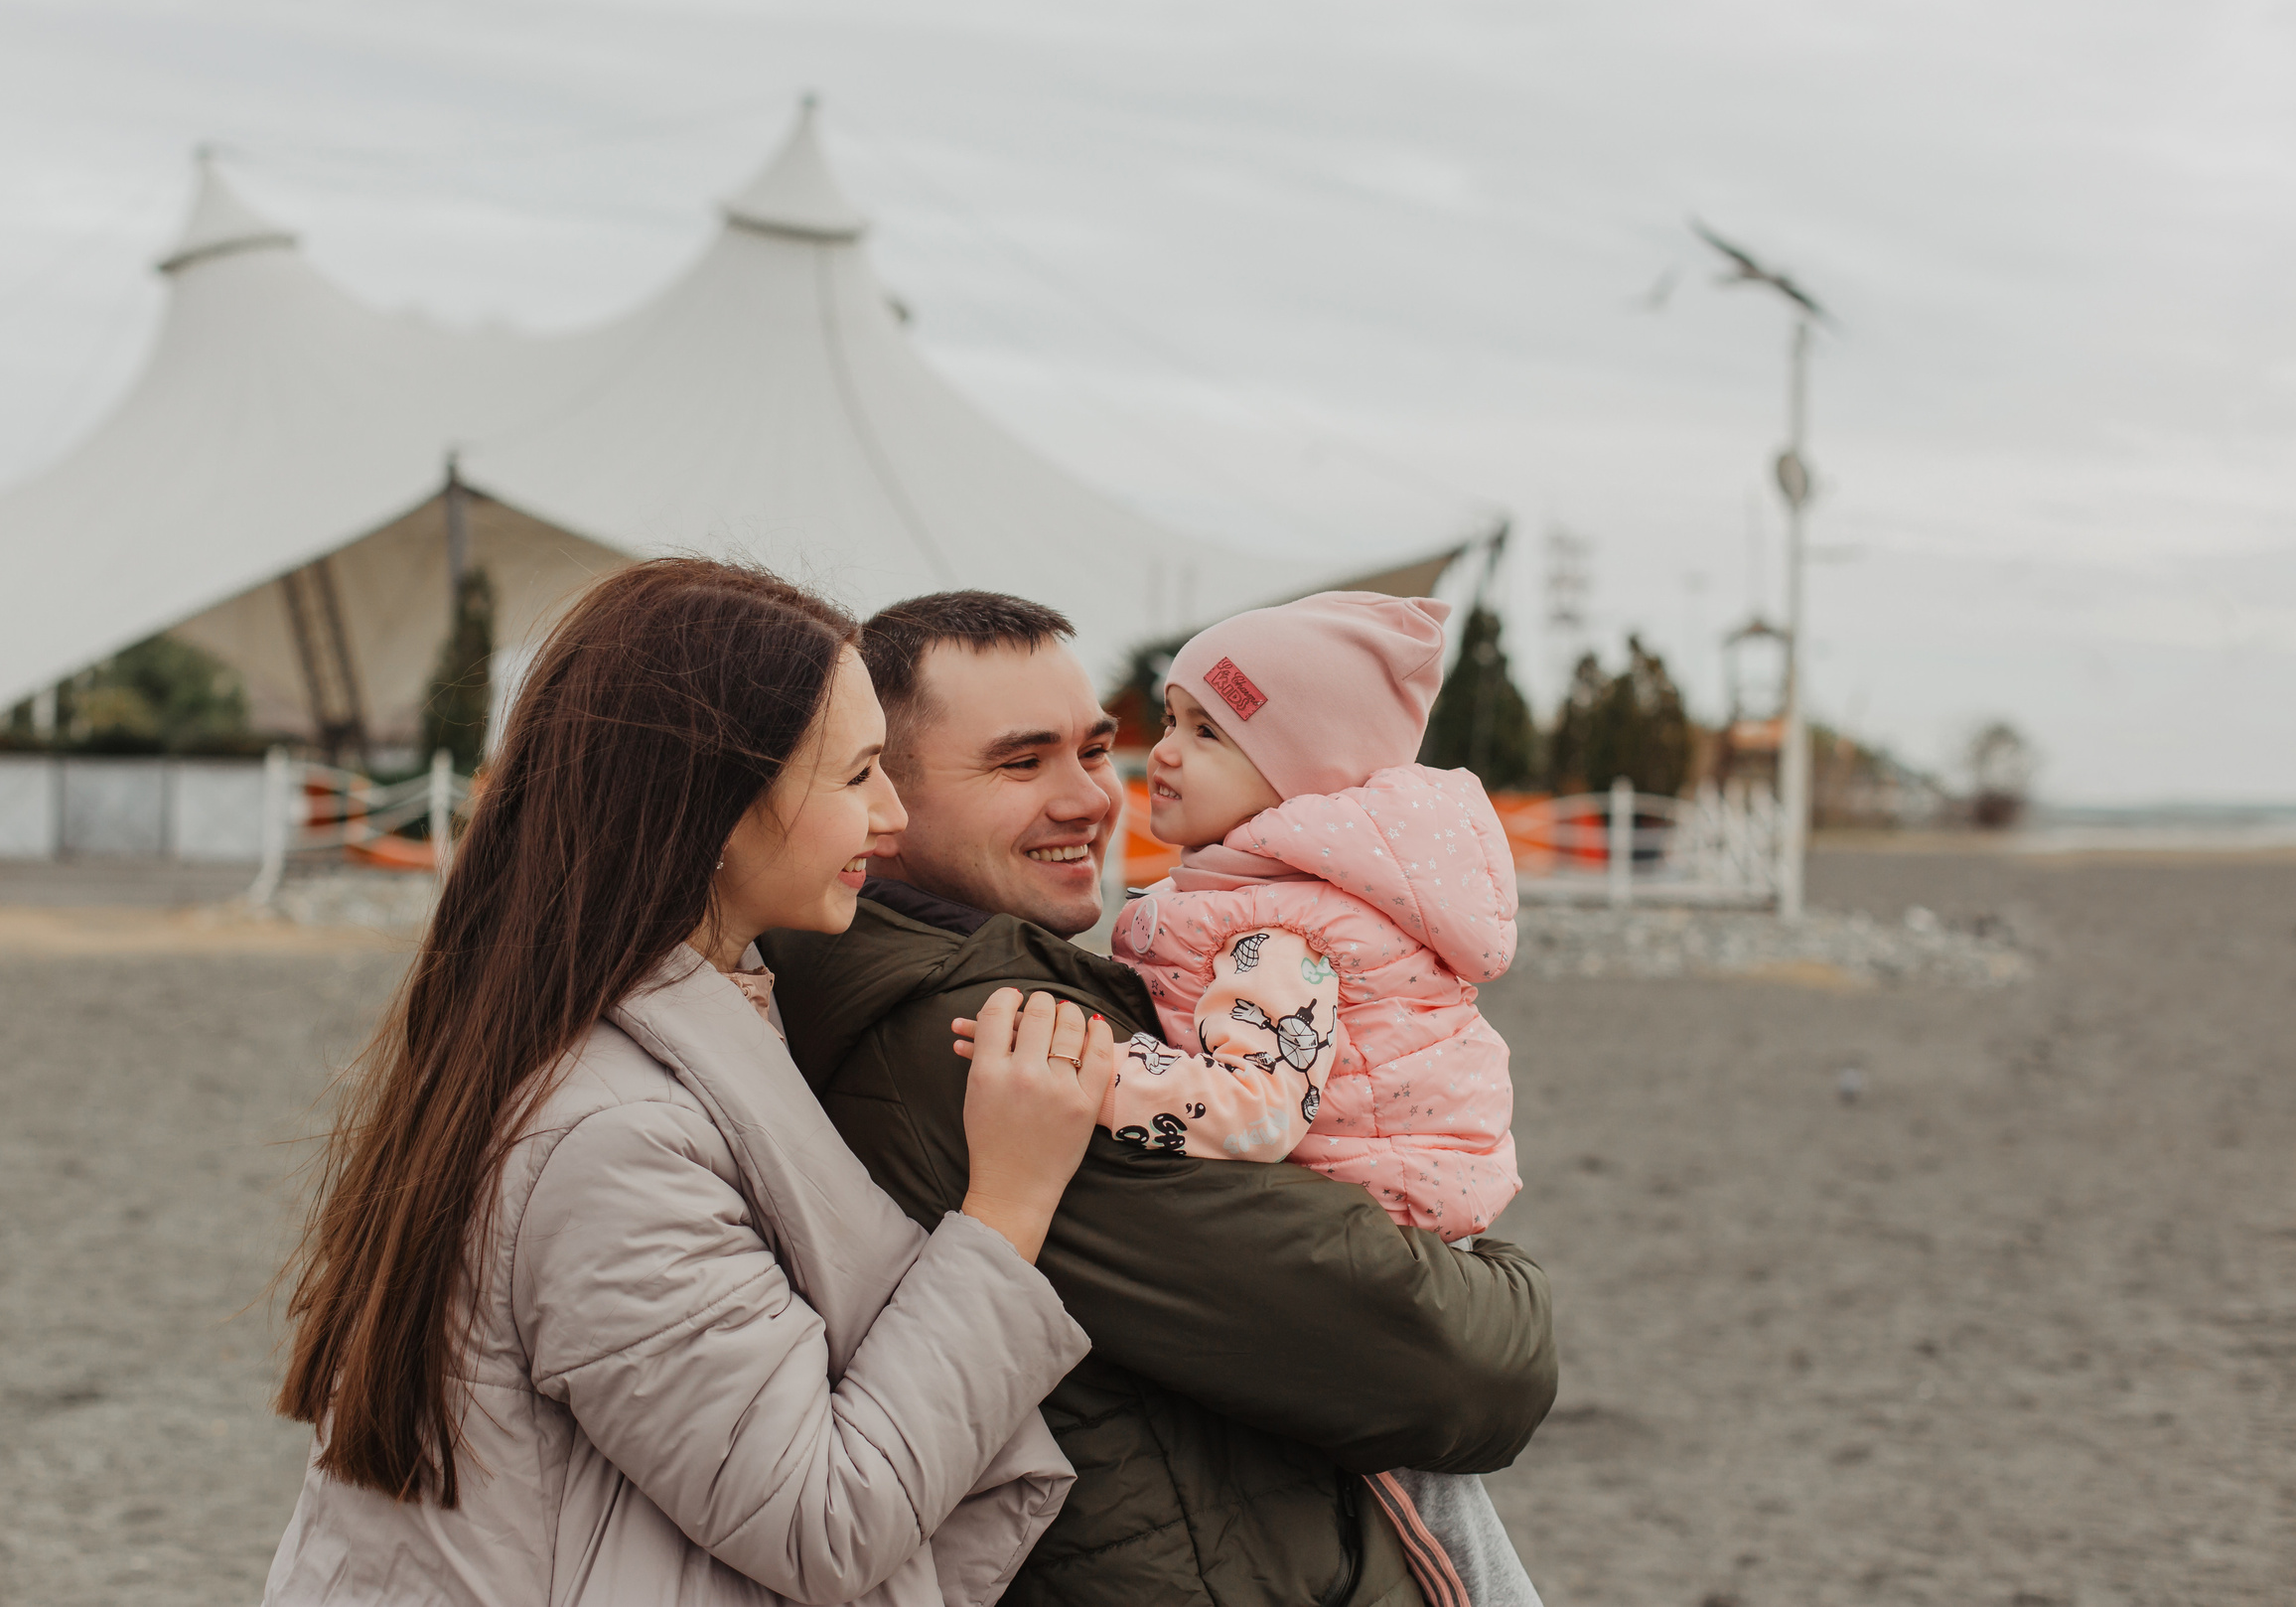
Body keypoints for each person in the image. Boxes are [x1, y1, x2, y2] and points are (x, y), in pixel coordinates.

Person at [263, 559, 1121, 1607]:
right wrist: (1007, 1209)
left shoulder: (611, 1029)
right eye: (856, 776)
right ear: (714, 806)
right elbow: (824, 1522)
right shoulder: (610, 1137)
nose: (890, 815)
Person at [760, 592, 1558, 1607]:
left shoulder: (1008, 980)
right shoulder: (990, 1040)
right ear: (882, 792)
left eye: (1095, 751)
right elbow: (1447, 1367)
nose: (1092, 799)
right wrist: (1515, 1294)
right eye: (1021, 761)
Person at [1106, 590, 1539, 1607]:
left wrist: (1094, 1075)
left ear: (1295, 777)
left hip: (1373, 1231)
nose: (1163, 752)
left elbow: (1254, 1113)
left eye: (1208, 732)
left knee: (1412, 1508)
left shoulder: (1280, 937)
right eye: (1170, 720)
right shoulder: (1256, 893)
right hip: (1386, 1208)